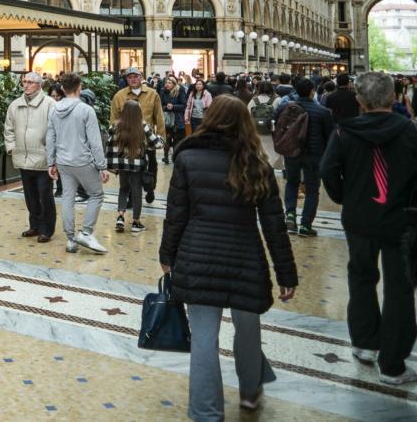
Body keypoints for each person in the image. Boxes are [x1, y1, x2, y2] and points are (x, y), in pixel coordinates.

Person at [159, 96, 297, 420]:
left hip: (197, 256)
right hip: (244, 259)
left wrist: (168, 254)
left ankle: (206, 413)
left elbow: (176, 214)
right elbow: (274, 225)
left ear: (209, 117)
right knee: (248, 327)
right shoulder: (257, 163)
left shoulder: (188, 158)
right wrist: (286, 274)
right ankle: (250, 392)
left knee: (204, 339)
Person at [320, 72, 417, 385]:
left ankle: (365, 343)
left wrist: (344, 196)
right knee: (400, 287)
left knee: (361, 276)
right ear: (392, 98)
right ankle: (393, 365)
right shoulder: (409, 131)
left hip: (359, 218)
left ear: (359, 100)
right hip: (401, 221)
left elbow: (328, 170)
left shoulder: (343, 132)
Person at [46, 72, 108, 255]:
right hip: (82, 160)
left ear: (63, 89)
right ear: (79, 87)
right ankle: (86, 233)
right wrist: (102, 165)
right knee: (96, 194)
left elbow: (50, 137)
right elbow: (95, 141)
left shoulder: (54, 109)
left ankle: (71, 239)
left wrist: (51, 162)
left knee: (67, 198)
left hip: (63, 161)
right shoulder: (86, 110)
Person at [276, 77, 334, 237]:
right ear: (312, 91)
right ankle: (306, 225)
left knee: (292, 183)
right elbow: (330, 137)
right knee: (312, 189)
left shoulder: (287, 107)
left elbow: (275, 119)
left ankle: (290, 216)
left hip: (292, 152)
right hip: (314, 156)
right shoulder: (323, 112)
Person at [4, 71, 56, 242]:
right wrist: (12, 148)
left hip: (43, 160)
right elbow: (8, 129)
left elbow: (55, 131)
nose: (26, 85)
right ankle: (34, 225)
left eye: (30, 82)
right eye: (24, 81)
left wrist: (52, 155)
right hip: (23, 158)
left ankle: (46, 229)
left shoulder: (50, 104)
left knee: (45, 195)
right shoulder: (15, 105)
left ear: (39, 85)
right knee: (30, 196)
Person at [107, 100, 163, 234]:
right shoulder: (143, 126)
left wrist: (112, 163)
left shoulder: (115, 126)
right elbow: (157, 144)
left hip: (122, 165)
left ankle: (120, 217)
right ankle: (136, 222)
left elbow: (110, 143)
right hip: (137, 166)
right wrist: (160, 139)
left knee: (123, 189)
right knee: (136, 192)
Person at [109, 67, 165, 139]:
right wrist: (115, 138)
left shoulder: (153, 94)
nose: (133, 79)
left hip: (148, 139)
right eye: (130, 77)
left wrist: (161, 139)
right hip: (126, 140)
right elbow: (114, 119)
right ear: (126, 79)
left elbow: (159, 118)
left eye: (135, 76)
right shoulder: (119, 96)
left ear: (141, 77)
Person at [158, 76, 187, 165]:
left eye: (169, 83)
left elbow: (183, 105)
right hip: (167, 119)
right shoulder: (163, 91)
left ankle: (176, 157)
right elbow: (160, 104)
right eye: (166, 82)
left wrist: (174, 106)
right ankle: (166, 157)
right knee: (166, 139)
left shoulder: (180, 90)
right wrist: (166, 107)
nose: (167, 84)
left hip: (177, 119)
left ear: (174, 84)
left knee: (177, 140)